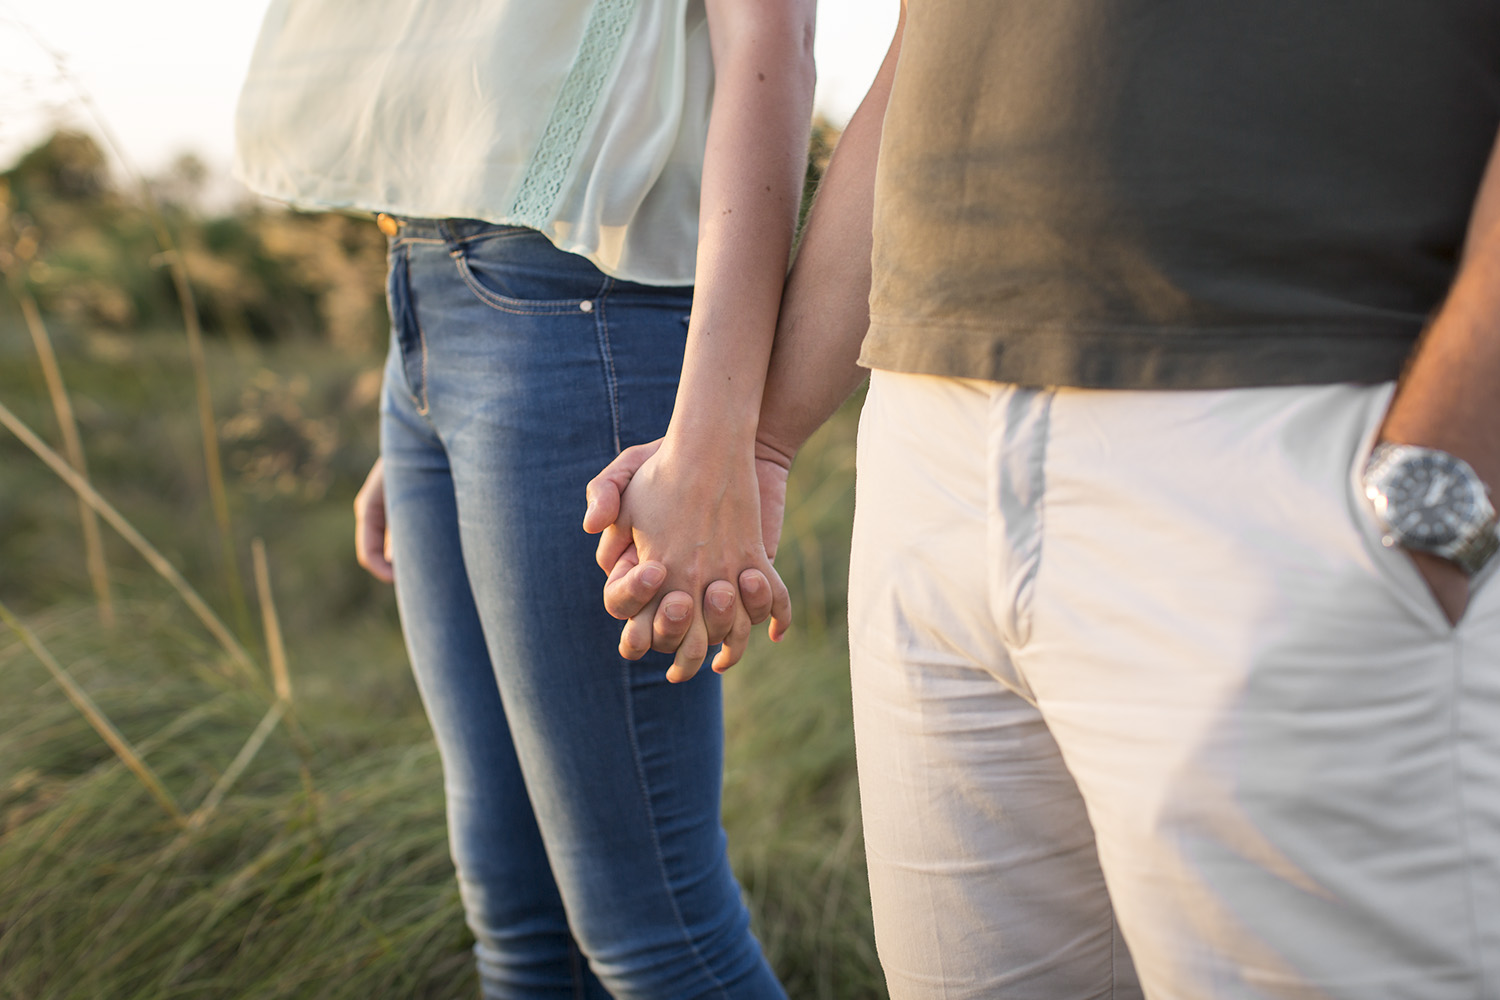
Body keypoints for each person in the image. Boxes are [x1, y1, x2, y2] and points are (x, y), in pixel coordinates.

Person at [587, 1, 1500, 996]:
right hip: (931, 442)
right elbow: (920, 52)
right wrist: (759, 436)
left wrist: (1447, 478)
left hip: (1294, 419)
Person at [234, 1, 812, 996]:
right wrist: (426, 401)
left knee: (653, 928)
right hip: (431, 302)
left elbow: (772, 41)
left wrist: (720, 437)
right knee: (518, 917)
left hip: (574, 313)